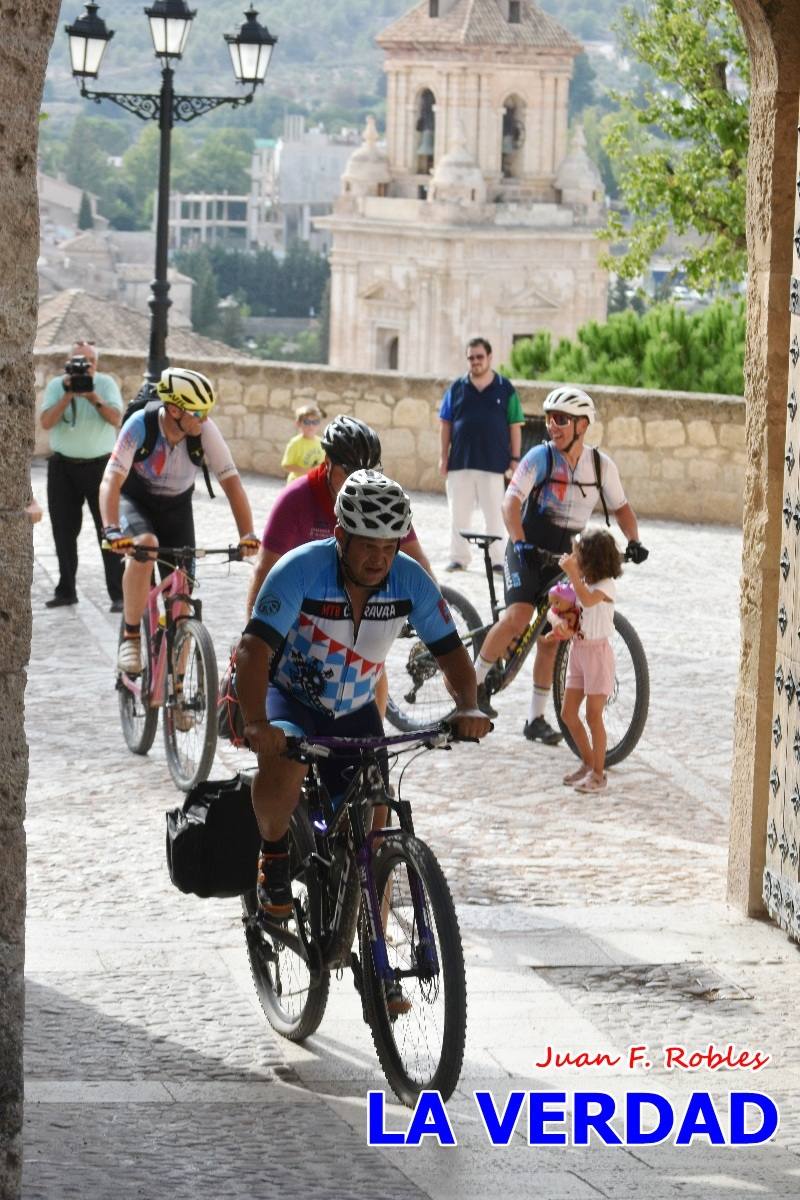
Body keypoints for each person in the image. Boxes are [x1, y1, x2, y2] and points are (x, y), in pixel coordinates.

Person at [234, 469, 492, 932]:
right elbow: (254, 649)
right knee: (286, 764)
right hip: (290, 698)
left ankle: (377, 965)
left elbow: (451, 653)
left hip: (354, 708)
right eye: (368, 545)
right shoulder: (299, 569)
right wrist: (256, 721)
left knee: (373, 827)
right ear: (341, 536)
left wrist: (468, 705)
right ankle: (273, 851)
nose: (379, 558)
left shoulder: (409, 581)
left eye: (389, 546)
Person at [473, 385, 648, 744]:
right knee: (519, 617)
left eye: (561, 419)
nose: (552, 426)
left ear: (582, 425)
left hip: (566, 561)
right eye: (550, 418)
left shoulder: (600, 466)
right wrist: (520, 542)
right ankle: (472, 686)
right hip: (527, 551)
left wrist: (635, 542)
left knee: (553, 636)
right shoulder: (540, 457)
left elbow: (622, 508)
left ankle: (534, 719)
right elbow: (510, 504)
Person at [99, 367, 259, 674]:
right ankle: (131, 637)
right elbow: (110, 480)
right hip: (136, 502)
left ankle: (180, 688)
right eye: (198, 412)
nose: (205, 419)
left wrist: (247, 534)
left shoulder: (204, 431)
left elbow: (232, 484)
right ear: (173, 410)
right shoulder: (140, 425)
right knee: (146, 545)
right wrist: (111, 529)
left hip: (176, 510)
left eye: (208, 412)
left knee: (181, 601)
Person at [39, 341, 124, 611]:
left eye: (88, 361)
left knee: (109, 530)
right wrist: (67, 396)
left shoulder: (106, 384)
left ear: (96, 364)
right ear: (68, 364)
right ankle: (66, 590)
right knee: (63, 531)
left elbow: (115, 419)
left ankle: (118, 594)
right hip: (63, 467)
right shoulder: (56, 386)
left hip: (100, 467)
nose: (83, 366)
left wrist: (92, 397)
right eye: (77, 361)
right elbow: (46, 423)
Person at [438, 336, 525, 574]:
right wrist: (443, 457)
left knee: (496, 515)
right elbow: (445, 423)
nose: (475, 361)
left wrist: (515, 458)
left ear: (489, 358)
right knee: (458, 514)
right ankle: (458, 558)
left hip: (494, 464)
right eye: (471, 357)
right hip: (461, 462)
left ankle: (498, 561)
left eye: (479, 357)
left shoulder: (505, 388)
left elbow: (515, 424)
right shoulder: (456, 388)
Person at [559, 530, 624, 793]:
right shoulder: (583, 583)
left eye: (579, 556)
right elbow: (573, 609)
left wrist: (573, 575)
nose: (575, 560)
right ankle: (588, 763)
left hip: (597, 655)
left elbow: (587, 599)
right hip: (579, 651)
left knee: (593, 715)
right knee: (568, 712)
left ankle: (599, 773)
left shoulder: (605, 586)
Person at [281, 402, 325, 482]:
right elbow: (286, 465)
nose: (311, 426)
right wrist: (307, 471)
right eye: (307, 422)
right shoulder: (295, 443)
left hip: (314, 482)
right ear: (298, 424)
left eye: (315, 422)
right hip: (297, 483)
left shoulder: (322, 442)